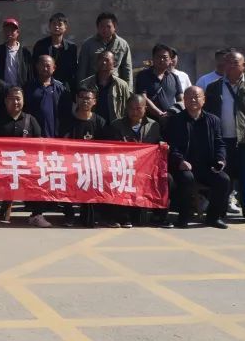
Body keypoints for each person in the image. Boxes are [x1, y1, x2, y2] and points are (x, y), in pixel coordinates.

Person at [204, 51, 245, 222]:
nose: (230, 66)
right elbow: (207, 114)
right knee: (223, 177)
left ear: (244, 66)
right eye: (227, 62)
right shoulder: (213, 87)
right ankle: (219, 212)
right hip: (222, 140)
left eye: (235, 62)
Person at [165, 86, 230, 229]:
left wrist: (220, 159)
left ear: (204, 100)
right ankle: (183, 217)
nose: (193, 100)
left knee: (223, 180)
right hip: (182, 166)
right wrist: (180, 161)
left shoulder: (213, 120)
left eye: (196, 97)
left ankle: (213, 217)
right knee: (187, 178)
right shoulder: (176, 120)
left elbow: (219, 143)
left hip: (206, 166)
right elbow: (171, 146)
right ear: (184, 100)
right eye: (189, 97)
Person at [0, 86, 47, 228]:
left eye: (18, 99)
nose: (15, 102)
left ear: (23, 101)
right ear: (6, 101)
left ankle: (36, 215)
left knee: (40, 177)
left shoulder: (31, 120)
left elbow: (39, 144)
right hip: (2, 165)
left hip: (25, 166)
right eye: (11, 99)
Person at [104, 94, 163, 228]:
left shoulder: (153, 125)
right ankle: (122, 216)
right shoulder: (116, 125)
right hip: (123, 167)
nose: (135, 112)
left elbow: (158, 142)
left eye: (138, 108)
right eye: (131, 108)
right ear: (126, 108)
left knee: (166, 179)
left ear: (145, 108)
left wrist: (162, 144)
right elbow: (110, 149)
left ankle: (159, 217)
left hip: (146, 168)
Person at [60, 87, 108, 227]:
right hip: (71, 164)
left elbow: (106, 147)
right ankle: (69, 214)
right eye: (82, 97)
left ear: (94, 101)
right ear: (76, 99)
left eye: (88, 98)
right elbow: (62, 144)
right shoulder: (68, 121)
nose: (85, 101)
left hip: (93, 166)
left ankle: (89, 213)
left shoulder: (100, 122)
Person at [77, 12, 132, 88]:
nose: (105, 29)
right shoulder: (88, 45)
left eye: (108, 26)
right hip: (93, 86)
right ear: (97, 27)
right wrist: (81, 88)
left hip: (115, 87)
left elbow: (127, 70)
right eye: (102, 26)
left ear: (114, 27)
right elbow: (82, 70)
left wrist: (128, 90)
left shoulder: (123, 45)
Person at [24, 54, 71, 142]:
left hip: (55, 137)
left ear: (54, 68)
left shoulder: (61, 89)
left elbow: (66, 114)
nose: (45, 68)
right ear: (37, 66)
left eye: (48, 66)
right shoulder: (28, 87)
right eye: (42, 65)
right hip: (33, 136)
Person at [80, 50, 130, 125]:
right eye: (101, 59)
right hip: (91, 125)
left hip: (114, 127)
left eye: (107, 60)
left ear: (114, 63)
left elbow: (127, 108)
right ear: (97, 62)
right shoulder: (85, 83)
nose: (103, 62)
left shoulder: (122, 85)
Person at [134, 43, 183, 120]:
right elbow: (143, 98)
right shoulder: (143, 75)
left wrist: (172, 113)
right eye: (158, 57)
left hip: (171, 120)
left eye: (165, 57)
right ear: (153, 58)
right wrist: (160, 114)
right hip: (149, 121)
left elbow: (181, 100)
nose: (161, 60)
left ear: (170, 60)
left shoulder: (174, 78)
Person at [32, 12, 78, 91]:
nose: (56, 27)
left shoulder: (71, 47)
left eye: (60, 24)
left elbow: (73, 70)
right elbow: (34, 66)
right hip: (44, 86)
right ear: (49, 26)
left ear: (65, 27)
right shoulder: (41, 45)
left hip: (64, 88)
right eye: (54, 24)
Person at [0, 18, 32, 89]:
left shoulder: (25, 53)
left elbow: (30, 74)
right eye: (7, 30)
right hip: (2, 90)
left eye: (12, 30)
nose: (9, 33)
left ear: (18, 33)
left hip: (21, 90)